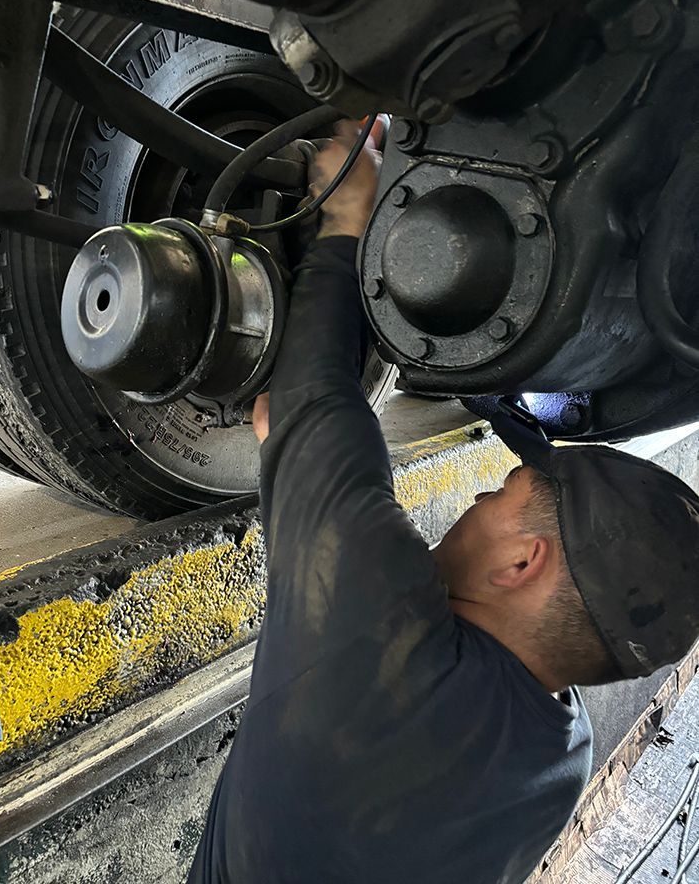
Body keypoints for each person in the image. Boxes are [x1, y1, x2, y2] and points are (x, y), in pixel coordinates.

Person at [189, 122, 699, 884]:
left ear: (525, 561)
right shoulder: (560, 757)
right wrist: (296, 445)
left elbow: (308, 402)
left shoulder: (380, 648)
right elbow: (288, 425)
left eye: (499, 494)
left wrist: (349, 213)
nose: (477, 498)